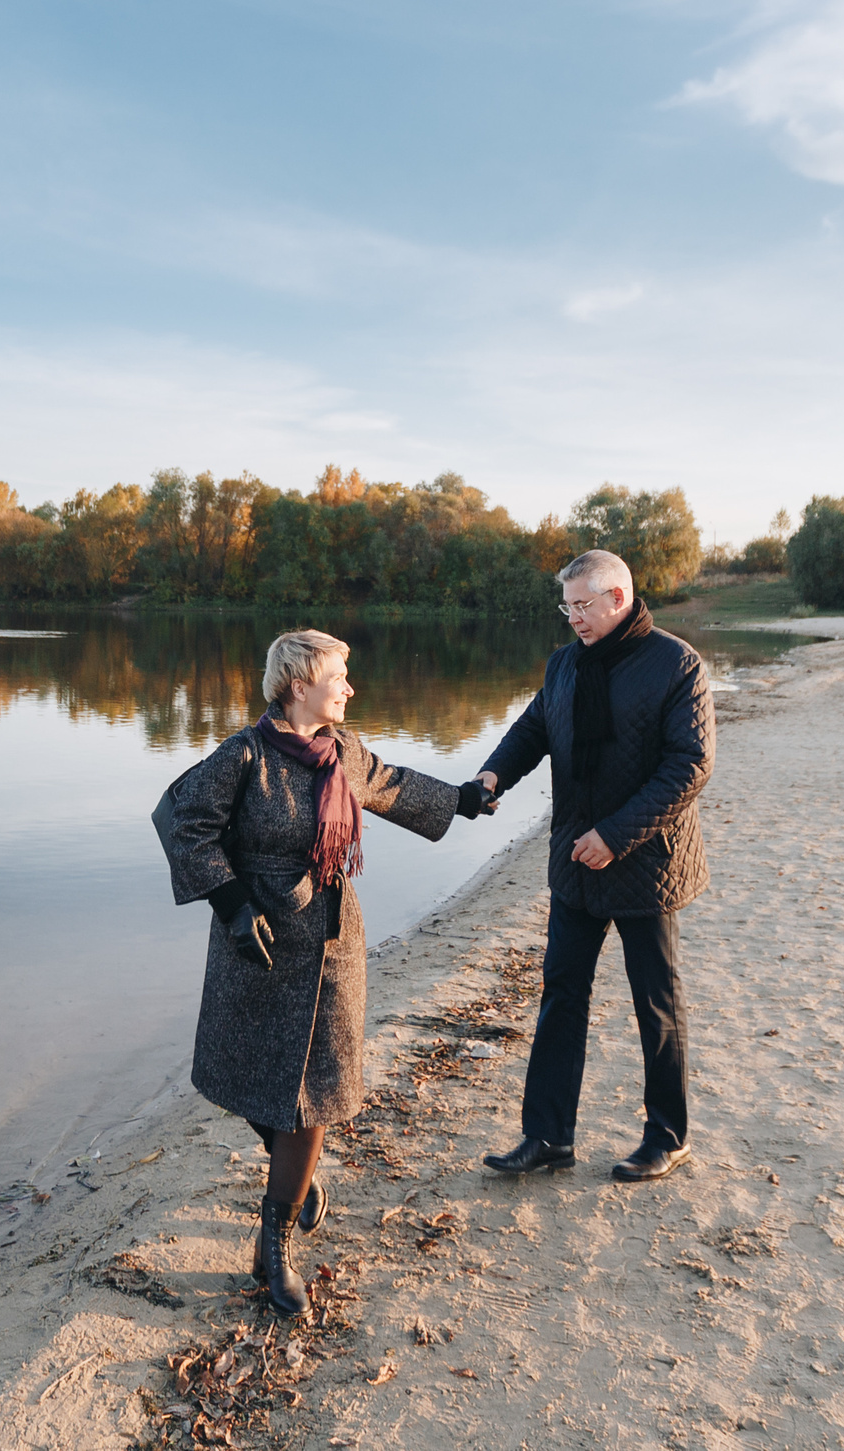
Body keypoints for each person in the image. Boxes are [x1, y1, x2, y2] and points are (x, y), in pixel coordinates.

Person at [162, 628, 498, 1314]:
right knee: (245, 1075)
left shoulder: (342, 751)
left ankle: (276, 1238)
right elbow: (182, 818)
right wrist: (229, 901)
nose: (349, 687)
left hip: (333, 943)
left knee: (316, 1090)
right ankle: (301, 1178)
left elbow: (394, 786)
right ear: (298, 683)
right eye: (339, 676)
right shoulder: (244, 755)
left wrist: (462, 798)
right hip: (255, 943)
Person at [476, 548, 714, 1183]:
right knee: (561, 995)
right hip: (575, 864)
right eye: (567, 606)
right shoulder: (564, 663)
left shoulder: (675, 663)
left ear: (618, 598)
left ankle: (667, 1136)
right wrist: (492, 774)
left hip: (646, 862)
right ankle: (548, 1136)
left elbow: (689, 766)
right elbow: (532, 731)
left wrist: (615, 835)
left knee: (654, 1003)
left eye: (583, 606)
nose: (573, 618)